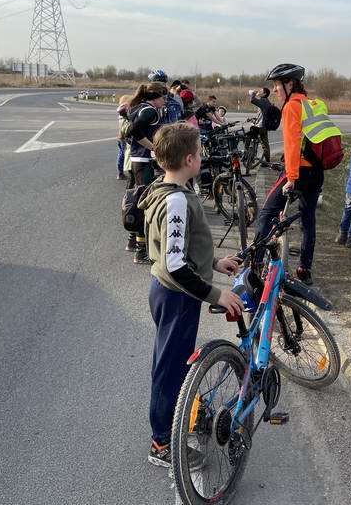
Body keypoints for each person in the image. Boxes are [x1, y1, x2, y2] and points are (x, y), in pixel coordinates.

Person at [138, 122, 244, 469]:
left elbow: (180, 249)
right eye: (199, 153)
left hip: (169, 290)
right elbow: (176, 265)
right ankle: (161, 443)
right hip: (177, 295)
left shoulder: (163, 186)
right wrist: (216, 294)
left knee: (174, 361)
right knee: (169, 369)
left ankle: (182, 416)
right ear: (188, 159)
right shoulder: (178, 202)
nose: (203, 157)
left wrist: (214, 261)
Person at [253, 63, 328, 285]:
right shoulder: (313, 104)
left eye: (277, 85)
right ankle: (304, 269)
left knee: (266, 214)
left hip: (298, 172)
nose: (275, 90)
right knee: (308, 220)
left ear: (290, 84)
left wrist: (292, 178)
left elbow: (293, 145)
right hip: (316, 172)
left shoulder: (292, 106)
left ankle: (254, 266)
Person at [127, 82, 169, 263]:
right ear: (155, 97)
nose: (165, 100)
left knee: (137, 199)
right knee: (144, 203)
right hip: (144, 161)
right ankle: (141, 250)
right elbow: (134, 130)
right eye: (163, 97)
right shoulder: (149, 110)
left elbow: (127, 117)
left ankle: (132, 242)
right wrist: (153, 148)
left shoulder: (139, 107)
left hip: (138, 159)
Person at [248, 86, 280, 162]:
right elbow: (262, 114)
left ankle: (248, 156)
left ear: (264, 94)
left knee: (248, 135)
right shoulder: (267, 102)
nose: (259, 92)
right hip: (265, 126)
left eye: (261, 91)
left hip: (261, 127)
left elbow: (252, 100)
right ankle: (267, 160)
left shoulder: (263, 101)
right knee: (265, 143)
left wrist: (253, 94)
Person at [115, 95, 133, 181]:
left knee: (121, 153)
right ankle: (123, 172)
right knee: (125, 154)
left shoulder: (120, 114)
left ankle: (120, 172)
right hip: (124, 136)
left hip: (120, 136)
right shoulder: (125, 115)